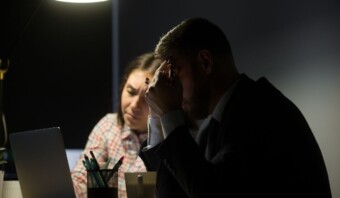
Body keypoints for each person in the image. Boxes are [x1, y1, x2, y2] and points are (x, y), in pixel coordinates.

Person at [140, 18, 332, 198]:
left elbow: (212, 193)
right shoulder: (213, 126)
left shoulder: (261, 111)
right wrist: (158, 116)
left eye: (174, 73)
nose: (171, 86)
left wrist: (169, 114)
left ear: (205, 62)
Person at [71, 52, 161, 198]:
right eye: (130, 92)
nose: (134, 105)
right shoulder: (109, 125)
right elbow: (81, 177)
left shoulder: (167, 141)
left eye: (146, 98)